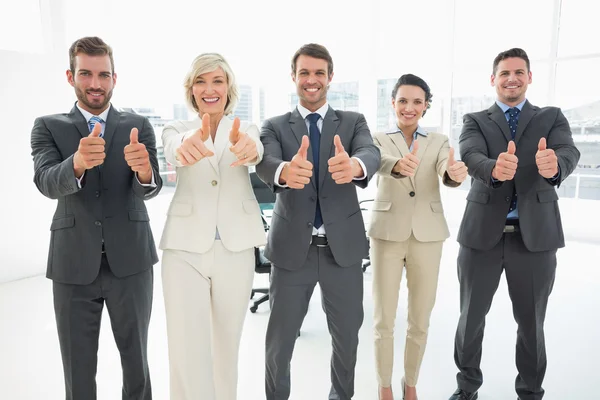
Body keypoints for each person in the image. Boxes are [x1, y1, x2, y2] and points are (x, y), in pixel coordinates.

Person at [30, 36, 162, 400]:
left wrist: (146, 172)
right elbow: (45, 182)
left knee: (137, 365)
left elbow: (149, 188)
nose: (95, 83)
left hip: (132, 262)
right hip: (73, 263)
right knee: (78, 368)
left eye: (103, 75)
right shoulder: (47, 126)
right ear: (70, 76)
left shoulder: (138, 124)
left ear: (114, 79)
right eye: (85, 74)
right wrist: (76, 163)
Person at [448, 48, 580, 400]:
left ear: (529, 77)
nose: (512, 78)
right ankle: (466, 388)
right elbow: (470, 154)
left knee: (532, 323)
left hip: (534, 238)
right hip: (481, 238)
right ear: (493, 79)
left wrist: (555, 166)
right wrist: (493, 168)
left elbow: (568, 151)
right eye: (505, 73)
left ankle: (531, 391)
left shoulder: (551, 117)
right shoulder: (475, 119)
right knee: (470, 319)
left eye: (519, 72)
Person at [256, 43, 381, 400]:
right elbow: (264, 162)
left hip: (341, 252)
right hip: (292, 251)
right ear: (293, 76)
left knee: (346, 340)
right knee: (279, 343)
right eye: (305, 73)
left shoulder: (353, 121)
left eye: (319, 73)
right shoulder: (275, 125)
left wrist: (356, 166)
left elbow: (369, 152)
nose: (312, 80)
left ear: (330, 77)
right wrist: (284, 170)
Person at [158, 52, 266, 400]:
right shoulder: (176, 129)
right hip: (184, 250)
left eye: (217, 80)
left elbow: (254, 149)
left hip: (235, 248)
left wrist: (250, 150)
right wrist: (187, 147)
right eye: (201, 81)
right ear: (191, 89)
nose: (209, 89)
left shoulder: (245, 128)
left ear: (228, 86)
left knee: (226, 347)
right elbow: (176, 148)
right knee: (187, 348)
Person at [368, 74, 468, 400]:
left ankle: (410, 382)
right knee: (384, 317)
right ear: (393, 102)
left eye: (416, 102)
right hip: (387, 234)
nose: (409, 108)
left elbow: (445, 169)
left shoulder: (438, 141)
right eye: (402, 101)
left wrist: (452, 175)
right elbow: (377, 163)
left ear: (426, 105)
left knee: (420, 317)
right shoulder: (377, 137)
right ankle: (384, 384)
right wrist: (397, 165)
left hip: (428, 236)